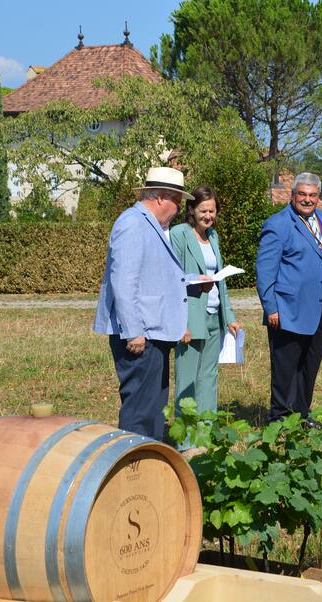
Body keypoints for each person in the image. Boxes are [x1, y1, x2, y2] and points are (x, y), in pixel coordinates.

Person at [93, 167, 211, 440]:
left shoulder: (151, 225)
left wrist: (194, 280)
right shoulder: (132, 223)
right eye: (177, 202)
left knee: (153, 406)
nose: (179, 210)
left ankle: (149, 456)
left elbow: (156, 275)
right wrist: (134, 331)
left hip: (154, 331)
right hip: (140, 335)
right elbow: (124, 281)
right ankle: (133, 460)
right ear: (160, 198)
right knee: (140, 409)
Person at [256, 172, 322, 423]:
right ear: (292, 195)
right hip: (288, 307)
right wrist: (271, 308)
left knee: (310, 363)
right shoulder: (278, 224)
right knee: (286, 365)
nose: (307, 199)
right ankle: (280, 418)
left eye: (312, 195)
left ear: (318, 197)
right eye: (302, 194)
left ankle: (301, 415)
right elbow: (265, 271)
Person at [170, 186, 242, 430]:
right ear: (191, 210)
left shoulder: (213, 236)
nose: (208, 216)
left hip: (213, 316)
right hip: (190, 318)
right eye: (203, 211)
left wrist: (229, 316)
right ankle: (186, 438)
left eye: (212, 211)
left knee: (209, 377)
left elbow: (220, 281)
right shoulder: (179, 234)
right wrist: (180, 323)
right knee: (187, 380)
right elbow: (171, 276)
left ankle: (206, 432)